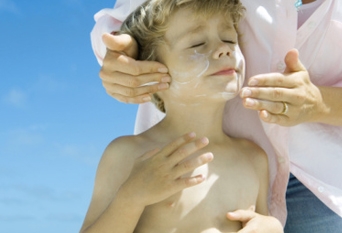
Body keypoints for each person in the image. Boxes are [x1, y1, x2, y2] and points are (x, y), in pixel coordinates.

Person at [90, 0, 342, 232]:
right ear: (149, 65)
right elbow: (118, 27)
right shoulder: (129, 155)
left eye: (231, 40)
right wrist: (130, 197)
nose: (224, 49)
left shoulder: (254, 160)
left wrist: (273, 227)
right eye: (197, 44)